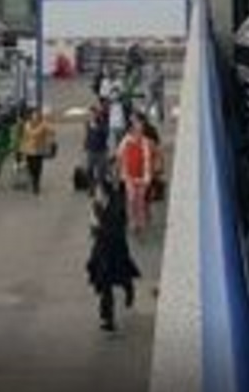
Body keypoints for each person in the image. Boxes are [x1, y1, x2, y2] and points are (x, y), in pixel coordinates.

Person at [86, 179, 140, 332]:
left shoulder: (118, 203)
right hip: (102, 247)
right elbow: (93, 225)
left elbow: (118, 226)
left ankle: (128, 287)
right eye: (97, 192)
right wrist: (95, 226)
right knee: (104, 282)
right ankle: (107, 318)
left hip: (116, 247)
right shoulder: (97, 204)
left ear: (106, 192)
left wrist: (100, 222)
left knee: (121, 273)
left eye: (100, 192)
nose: (98, 194)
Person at [116, 119, 156, 233]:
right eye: (137, 130)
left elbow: (151, 158)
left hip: (143, 177)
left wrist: (151, 174)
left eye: (141, 130)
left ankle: (140, 223)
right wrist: (119, 170)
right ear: (132, 131)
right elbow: (118, 155)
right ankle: (133, 222)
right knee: (131, 199)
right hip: (129, 176)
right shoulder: (126, 141)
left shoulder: (146, 142)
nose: (139, 132)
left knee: (140, 201)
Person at [18, 107, 56, 195]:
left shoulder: (43, 124)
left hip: (39, 149)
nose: (34, 116)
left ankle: (36, 183)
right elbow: (23, 137)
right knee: (31, 166)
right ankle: (33, 179)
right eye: (33, 114)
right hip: (29, 149)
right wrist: (21, 149)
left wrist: (48, 124)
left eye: (36, 114)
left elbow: (52, 131)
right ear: (30, 115)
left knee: (38, 167)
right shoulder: (26, 124)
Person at [83, 102, 111, 191]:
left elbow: (106, 134)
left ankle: (100, 188)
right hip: (91, 150)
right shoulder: (88, 123)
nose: (91, 116)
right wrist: (85, 144)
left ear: (97, 114)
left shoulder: (103, 123)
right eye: (90, 114)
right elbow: (88, 134)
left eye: (93, 114)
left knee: (100, 172)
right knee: (89, 170)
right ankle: (92, 186)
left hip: (101, 151)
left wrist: (97, 128)